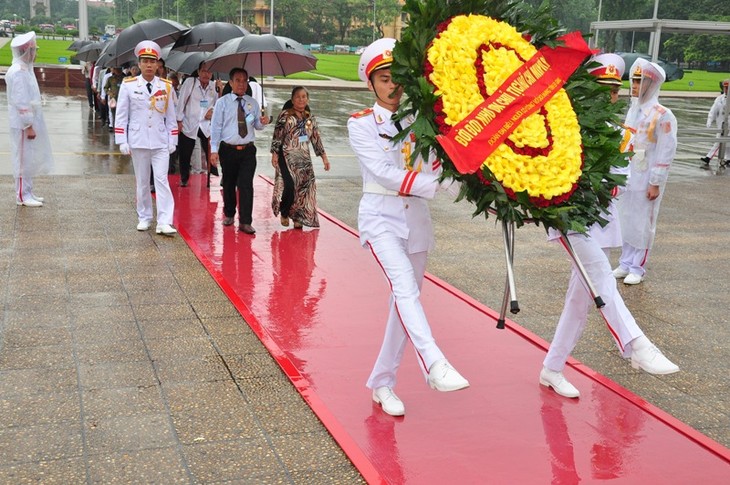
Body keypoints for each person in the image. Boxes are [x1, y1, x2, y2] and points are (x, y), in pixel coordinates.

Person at [540, 53, 679, 399]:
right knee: (601, 276)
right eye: (603, 87)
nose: (611, 96)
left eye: (615, 89)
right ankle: (635, 344)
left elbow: (621, 176)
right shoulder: (565, 127)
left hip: (597, 221)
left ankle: (552, 368)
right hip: (569, 219)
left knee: (580, 299)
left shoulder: (619, 132)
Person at [348, 38, 469, 417]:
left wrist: (465, 181)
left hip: (415, 221)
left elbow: (435, 166)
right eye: (383, 79)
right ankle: (434, 363)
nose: (392, 85)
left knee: (404, 302)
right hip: (380, 218)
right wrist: (437, 185)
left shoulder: (419, 122)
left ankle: (382, 383)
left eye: (397, 77)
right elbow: (383, 174)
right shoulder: (362, 125)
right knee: (403, 288)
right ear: (370, 84)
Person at [613, 59, 677, 285]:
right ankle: (625, 262)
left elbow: (666, 150)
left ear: (651, 83)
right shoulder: (634, 111)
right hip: (631, 173)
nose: (634, 85)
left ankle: (638, 267)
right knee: (627, 219)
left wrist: (656, 182)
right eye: (634, 80)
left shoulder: (662, 115)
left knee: (643, 222)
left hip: (647, 174)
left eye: (640, 81)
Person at [114, 40, 179, 236]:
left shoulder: (166, 86)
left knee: (161, 180)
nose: (149, 65)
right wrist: (122, 140)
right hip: (138, 139)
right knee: (142, 181)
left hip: (160, 141)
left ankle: (164, 221)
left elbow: (171, 117)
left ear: (158, 64)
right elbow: (121, 115)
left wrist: (172, 141)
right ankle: (144, 217)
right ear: (139, 64)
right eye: (145, 61)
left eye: (152, 61)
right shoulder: (128, 85)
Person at [209, 68, 269, 234]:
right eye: (238, 80)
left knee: (246, 185)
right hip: (228, 150)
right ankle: (229, 213)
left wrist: (263, 121)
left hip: (248, 151)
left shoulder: (252, 103)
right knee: (228, 183)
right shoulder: (222, 103)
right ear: (231, 82)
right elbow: (216, 127)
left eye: (244, 80)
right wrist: (214, 150)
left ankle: (245, 221)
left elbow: (257, 125)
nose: (241, 84)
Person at [270, 86, 330, 229]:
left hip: (303, 158)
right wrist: (274, 153)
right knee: (290, 186)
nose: (301, 99)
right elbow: (277, 135)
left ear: (307, 99)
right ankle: (284, 212)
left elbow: (316, 138)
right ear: (292, 99)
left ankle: (298, 216)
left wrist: (324, 158)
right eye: (298, 97)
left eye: (304, 97)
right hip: (287, 156)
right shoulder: (285, 116)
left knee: (303, 189)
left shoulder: (310, 118)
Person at [6, 31, 53, 207]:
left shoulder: (24, 69)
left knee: (28, 158)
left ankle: (28, 191)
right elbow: (21, 101)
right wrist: (28, 125)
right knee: (22, 159)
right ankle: (22, 195)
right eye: (34, 49)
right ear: (27, 51)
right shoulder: (18, 72)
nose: (36, 53)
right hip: (22, 124)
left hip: (28, 122)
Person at [176, 62, 218, 187]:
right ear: (199, 72)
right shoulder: (190, 83)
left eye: (209, 72)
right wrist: (178, 121)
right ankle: (184, 178)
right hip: (189, 123)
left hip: (205, 125)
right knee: (185, 153)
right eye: (204, 71)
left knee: (211, 150)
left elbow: (219, 105)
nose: (206, 74)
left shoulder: (213, 86)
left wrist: (213, 110)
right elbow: (181, 102)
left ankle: (213, 174)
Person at [700, 79, 729, 169]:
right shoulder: (719, 99)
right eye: (725, 88)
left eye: (728, 88)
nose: (726, 89)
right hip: (721, 125)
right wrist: (709, 120)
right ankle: (727, 159)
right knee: (722, 142)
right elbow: (713, 111)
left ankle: (708, 157)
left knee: (723, 143)